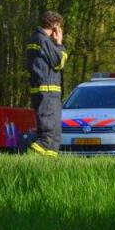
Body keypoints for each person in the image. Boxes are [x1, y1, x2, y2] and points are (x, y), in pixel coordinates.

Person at [25, 10, 68, 157]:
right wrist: (59, 43)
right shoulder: (42, 40)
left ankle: (49, 161)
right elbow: (59, 62)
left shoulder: (36, 39)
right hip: (48, 92)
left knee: (55, 134)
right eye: (59, 26)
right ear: (55, 26)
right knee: (48, 133)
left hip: (46, 91)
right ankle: (31, 157)